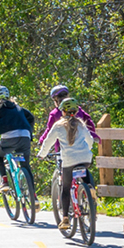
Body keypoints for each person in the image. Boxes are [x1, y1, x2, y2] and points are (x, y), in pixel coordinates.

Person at [38, 98, 96, 231]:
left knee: (65, 188)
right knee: (84, 169)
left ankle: (65, 219)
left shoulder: (58, 126)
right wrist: (88, 148)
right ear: (75, 112)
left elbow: (48, 142)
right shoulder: (81, 124)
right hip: (85, 158)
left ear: (62, 111)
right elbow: (90, 140)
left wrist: (42, 154)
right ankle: (89, 187)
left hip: (69, 160)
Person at [0, 86, 36, 196]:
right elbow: (31, 117)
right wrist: (29, 131)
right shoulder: (17, 107)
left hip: (9, 138)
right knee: (25, 165)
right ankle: (34, 196)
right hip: (25, 137)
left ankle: (4, 181)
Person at [38, 83, 100, 150]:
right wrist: (92, 134)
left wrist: (42, 141)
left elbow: (49, 130)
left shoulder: (54, 113)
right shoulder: (77, 109)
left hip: (62, 147)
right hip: (81, 144)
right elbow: (88, 121)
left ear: (55, 101)